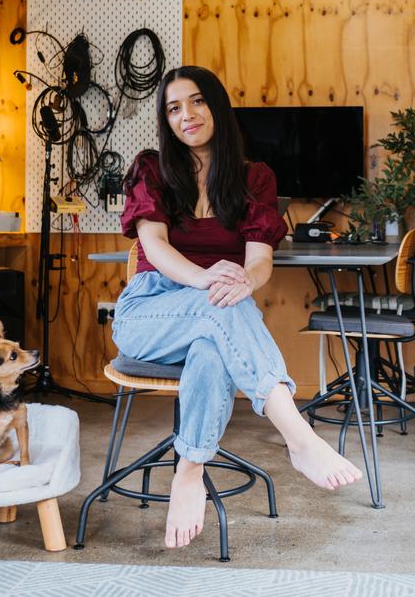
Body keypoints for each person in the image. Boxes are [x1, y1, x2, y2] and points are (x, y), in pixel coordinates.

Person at [112, 65, 363, 551]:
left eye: (197, 101)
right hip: (151, 311)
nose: (187, 115)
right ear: (167, 120)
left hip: (218, 315)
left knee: (214, 340)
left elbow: (260, 260)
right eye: (174, 107)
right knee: (219, 308)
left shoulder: (254, 178)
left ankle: (189, 469)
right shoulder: (151, 169)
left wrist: (245, 280)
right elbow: (156, 247)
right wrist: (208, 278)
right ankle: (299, 438)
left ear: (217, 107)